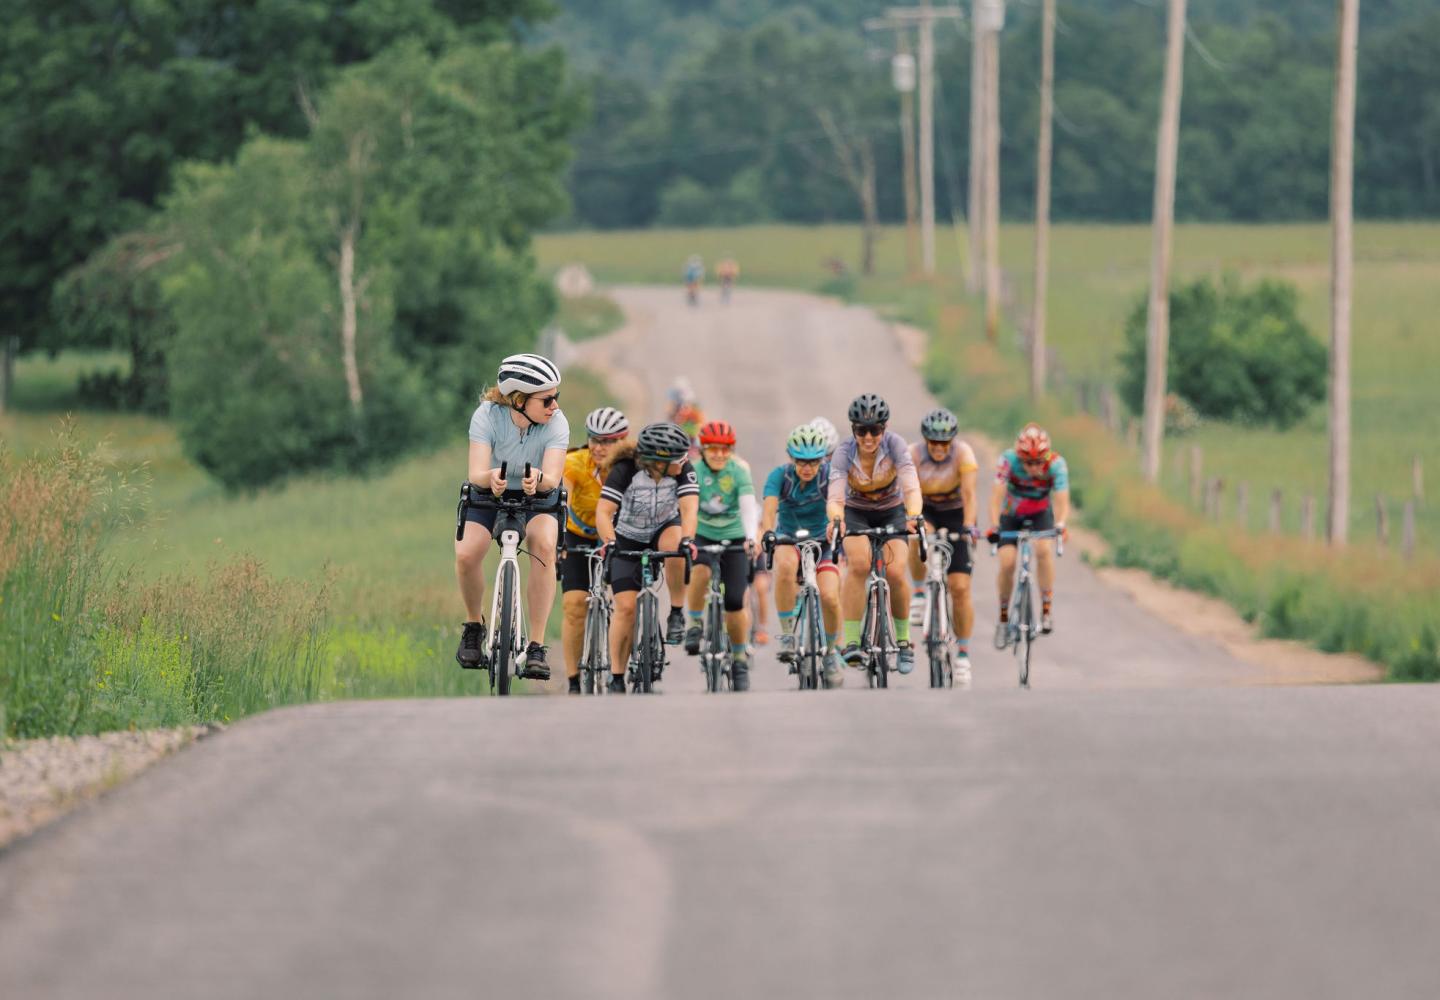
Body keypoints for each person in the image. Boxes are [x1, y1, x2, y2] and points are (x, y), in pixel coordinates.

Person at [455, 353, 568, 680]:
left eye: (556, 397)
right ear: (518, 400)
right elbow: (475, 472)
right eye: (547, 400)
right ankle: (474, 626)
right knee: (466, 553)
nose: (555, 406)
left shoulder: (557, 423)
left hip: (538, 494)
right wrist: (490, 477)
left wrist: (540, 481)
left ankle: (536, 645)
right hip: (490, 490)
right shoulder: (486, 416)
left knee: (544, 547)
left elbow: (554, 476)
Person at [594, 422, 699, 693]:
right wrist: (610, 543)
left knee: (677, 546)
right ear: (658, 462)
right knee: (625, 608)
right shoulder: (624, 470)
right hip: (628, 535)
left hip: (664, 527)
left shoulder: (684, 471)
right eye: (678, 458)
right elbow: (604, 513)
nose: (685, 462)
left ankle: (676, 612)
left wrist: (688, 540)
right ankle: (617, 675)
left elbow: (688, 510)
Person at [826, 393, 924, 674]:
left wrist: (914, 515)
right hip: (856, 512)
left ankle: (904, 641)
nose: (868, 437)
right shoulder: (844, 452)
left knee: (895, 572)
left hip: (892, 510)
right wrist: (836, 519)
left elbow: (911, 486)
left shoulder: (896, 445)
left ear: (885, 428)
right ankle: (853, 641)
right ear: (853, 429)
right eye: (861, 430)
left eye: (875, 430)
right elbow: (834, 496)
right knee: (858, 565)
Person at [761, 423, 844, 688]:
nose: (807, 468)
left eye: (814, 462)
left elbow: (836, 504)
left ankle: (831, 651)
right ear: (791, 458)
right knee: (784, 566)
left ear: (822, 459)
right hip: (789, 538)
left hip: (823, 542)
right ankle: (787, 634)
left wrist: (837, 523)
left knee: (830, 597)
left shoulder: (831, 476)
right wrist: (766, 532)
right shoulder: (780, 476)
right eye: (801, 462)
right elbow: (770, 508)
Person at [683, 420, 759, 691]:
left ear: (731, 451)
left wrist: (751, 538)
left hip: (734, 535)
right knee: (700, 571)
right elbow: (686, 505)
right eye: (713, 449)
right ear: (703, 449)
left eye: (724, 450)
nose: (718, 454)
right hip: (702, 532)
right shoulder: (693, 469)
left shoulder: (738, 470)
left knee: (736, 601)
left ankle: (739, 658)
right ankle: (693, 622)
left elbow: (748, 507)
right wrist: (686, 537)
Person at [559, 406, 630, 694]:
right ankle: (574, 680)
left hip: (617, 535)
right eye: (595, 440)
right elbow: (561, 501)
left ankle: (622, 667)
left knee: (627, 602)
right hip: (577, 536)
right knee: (575, 605)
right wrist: (556, 540)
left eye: (609, 441)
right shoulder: (574, 463)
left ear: (622, 443)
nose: (600, 448)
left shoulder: (631, 468)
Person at [906, 408, 979, 680]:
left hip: (956, 511)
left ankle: (962, 652)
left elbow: (970, 495)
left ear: (952, 441)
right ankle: (919, 592)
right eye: (933, 442)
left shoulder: (964, 453)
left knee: (960, 588)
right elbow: (908, 492)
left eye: (944, 442)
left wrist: (969, 527)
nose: (938, 447)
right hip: (925, 508)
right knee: (917, 534)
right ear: (926, 440)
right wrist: (912, 519)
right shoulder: (913, 454)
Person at [987, 422, 1070, 645]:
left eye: (1038, 462)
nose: (1033, 467)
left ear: (1046, 457)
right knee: (1007, 562)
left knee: (1043, 550)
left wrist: (1061, 524)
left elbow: (1062, 500)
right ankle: (1003, 618)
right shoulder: (1008, 460)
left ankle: (1046, 609)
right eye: (1028, 462)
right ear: (1019, 457)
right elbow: (996, 497)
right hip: (1010, 514)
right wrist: (995, 526)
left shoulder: (1056, 464)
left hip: (1040, 513)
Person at [666, 377, 705, 455]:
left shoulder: (692, 404)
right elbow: (669, 411)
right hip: (681, 429)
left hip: (690, 431)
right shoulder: (674, 398)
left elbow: (700, 419)